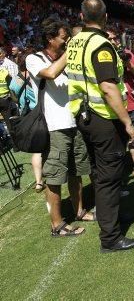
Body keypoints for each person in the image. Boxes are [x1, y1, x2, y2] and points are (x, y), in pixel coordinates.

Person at [65, 0, 134, 252]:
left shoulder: (74, 41)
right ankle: (110, 238)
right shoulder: (101, 45)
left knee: (100, 173)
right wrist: (127, 122)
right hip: (102, 117)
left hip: (83, 115)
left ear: (81, 15)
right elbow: (108, 87)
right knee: (109, 177)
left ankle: (112, 221)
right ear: (105, 17)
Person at [26, 18, 93, 237]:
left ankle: (79, 210)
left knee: (76, 172)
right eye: (64, 39)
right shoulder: (33, 59)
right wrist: (70, 51)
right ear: (49, 38)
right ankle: (57, 224)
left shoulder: (67, 59)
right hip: (54, 126)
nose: (67, 43)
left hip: (73, 122)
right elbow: (51, 73)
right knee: (54, 177)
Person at [107, 29, 134, 177]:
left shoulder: (127, 53)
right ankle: (118, 173)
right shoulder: (103, 56)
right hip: (113, 106)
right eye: (110, 38)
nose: (114, 41)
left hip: (132, 103)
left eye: (115, 38)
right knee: (116, 142)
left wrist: (128, 65)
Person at [9, 51, 43, 193]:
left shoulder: (16, 79)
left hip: (29, 116)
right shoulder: (37, 74)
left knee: (37, 149)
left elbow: (14, 96)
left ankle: (39, 181)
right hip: (42, 111)